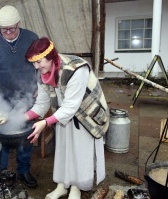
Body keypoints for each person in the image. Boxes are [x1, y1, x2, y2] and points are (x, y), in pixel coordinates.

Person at [24, 37, 109, 199]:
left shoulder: (76, 69)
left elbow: (71, 107)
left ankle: (76, 188)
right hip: (62, 113)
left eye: (39, 62)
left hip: (86, 114)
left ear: (50, 56)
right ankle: (62, 186)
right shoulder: (42, 72)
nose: (36, 67)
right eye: (33, 63)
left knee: (79, 150)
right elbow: (42, 104)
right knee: (63, 148)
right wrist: (19, 117)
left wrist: (45, 122)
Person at [0, 5, 39, 188]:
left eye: (12, 28)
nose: (9, 33)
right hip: (1, 98)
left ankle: (24, 170)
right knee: (1, 135)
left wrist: (39, 87)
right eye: (4, 30)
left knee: (25, 135)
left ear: (19, 23)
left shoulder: (31, 38)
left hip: (27, 96)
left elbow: (41, 63)